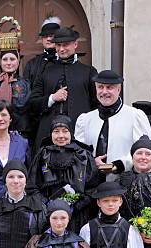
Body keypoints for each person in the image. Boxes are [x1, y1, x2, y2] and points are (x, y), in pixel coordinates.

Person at [27, 26, 98, 154]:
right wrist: (52, 98)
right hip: (48, 137)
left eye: (65, 45)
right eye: (58, 45)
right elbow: (33, 103)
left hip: (79, 135)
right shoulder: (45, 72)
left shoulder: (88, 72)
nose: (61, 49)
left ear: (75, 44)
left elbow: (95, 105)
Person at [75, 70, 151, 183]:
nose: (104, 91)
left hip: (125, 184)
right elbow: (77, 152)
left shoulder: (135, 116)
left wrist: (116, 166)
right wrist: (92, 162)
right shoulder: (85, 119)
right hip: (91, 185)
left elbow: (147, 152)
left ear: (118, 89)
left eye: (109, 87)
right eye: (100, 87)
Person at [27, 115, 98, 233]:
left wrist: (75, 207)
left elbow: (92, 188)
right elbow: (32, 186)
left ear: (71, 133)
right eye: (56, 131)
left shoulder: (84, 155)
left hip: (78, 214)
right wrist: (48, 205)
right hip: (48, 214)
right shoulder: (42, 155)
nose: (61, 136)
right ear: (51, 134)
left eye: (65, 131)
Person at [0, 17, 31, 134]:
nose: (8, 63)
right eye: (5, 59)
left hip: (20, 132)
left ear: (18, 61)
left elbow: (23, 107)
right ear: (0, 62)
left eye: (12, 59)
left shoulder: (24, 83)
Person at [23, 17, 60, 88]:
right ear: (42, 39)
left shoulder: (68, 61)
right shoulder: (31, 64)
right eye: (45, 36)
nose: (48, 39)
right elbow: (26, 91)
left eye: (51, 35)